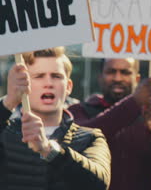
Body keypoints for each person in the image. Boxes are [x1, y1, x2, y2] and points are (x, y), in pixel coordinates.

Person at [0, 47, 111, 189]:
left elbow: (99, 184)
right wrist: (9, 102)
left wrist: (48, 150)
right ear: (24, 83)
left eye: (56, 76)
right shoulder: (5, 133)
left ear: (68, 87)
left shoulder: (90, 138)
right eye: (39, 76)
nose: (49, 83)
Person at [68, 58, 151, 190]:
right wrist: (134, 102)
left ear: (137, 78)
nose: (118, 78)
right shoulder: (79, 111)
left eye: (125, 72)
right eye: (111, 72)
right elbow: (85, 136)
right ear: (100, 77)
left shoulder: (148, 116)